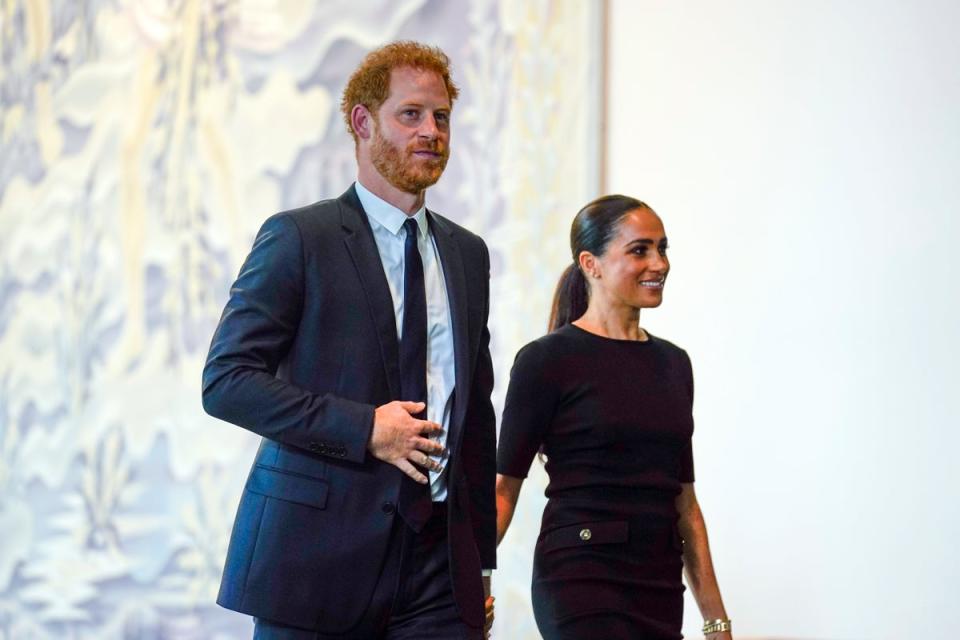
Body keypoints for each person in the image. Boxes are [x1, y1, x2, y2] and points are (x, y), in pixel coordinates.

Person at [202, 41, 496, 639]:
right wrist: (366, 429)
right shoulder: (298, 238)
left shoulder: (467, 254)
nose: (431, 131)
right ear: (363, 123)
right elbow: (226, 382)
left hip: (439, 570)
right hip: (317, 560)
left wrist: (481, 562)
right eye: (410, 114)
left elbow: (476, 413)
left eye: (441, 117)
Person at [494, 195, 732, 639]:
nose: (659, 263)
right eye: (639, 250)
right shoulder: (546, 361)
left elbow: (686, 505)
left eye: (663, 248)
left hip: (658, 584)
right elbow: (503, 490)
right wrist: (473, 582)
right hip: (579, 578)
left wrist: (716, 623)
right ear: (591, 263)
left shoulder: (674, 364)